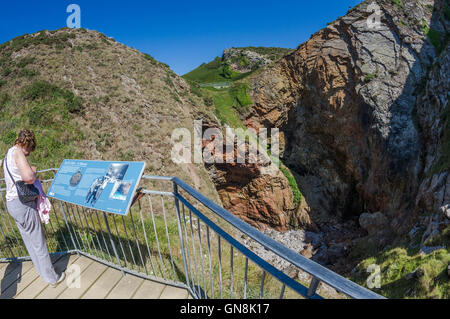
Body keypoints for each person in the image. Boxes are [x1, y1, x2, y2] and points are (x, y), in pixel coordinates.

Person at [2, 129, 65, 287]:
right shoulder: (17, 153)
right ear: (26, 144)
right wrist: (34, 171)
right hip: (23, 204)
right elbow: (28, 177)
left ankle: (44, 272)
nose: (29, 153)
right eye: (30, 149)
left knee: (30, 241)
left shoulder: (8, 153)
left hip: (12, 204)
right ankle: (52, 278)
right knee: (38, 241)